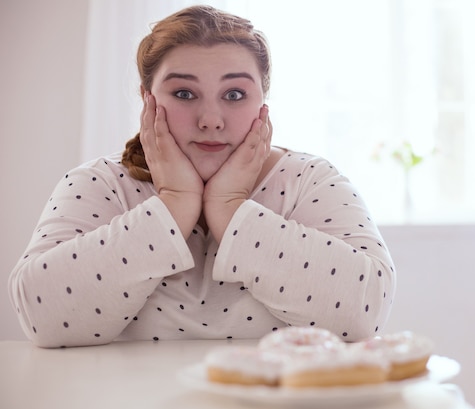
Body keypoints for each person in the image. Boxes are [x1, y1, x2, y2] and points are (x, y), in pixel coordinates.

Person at [8, 5, 396, 348]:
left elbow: (364, 315)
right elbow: (41, 318)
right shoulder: (100, 183)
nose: (210, 120)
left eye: (234, 95)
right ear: (147, 100)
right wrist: (174, 204)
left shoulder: (310, 180)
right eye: (184, 94)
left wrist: (229, 210)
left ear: (263, 102)